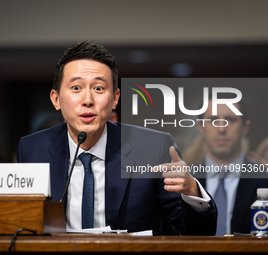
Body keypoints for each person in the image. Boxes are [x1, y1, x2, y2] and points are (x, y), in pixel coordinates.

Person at [17, 41, 217, 235]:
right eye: (76, 88)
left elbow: (198, 231)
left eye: (98, 88)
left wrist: (192, 192)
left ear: (115, 99)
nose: (88, 101)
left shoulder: (153, 148)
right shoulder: (33, 149)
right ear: (56, 99)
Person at [195, 96, 268, 235]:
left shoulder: (266, 180)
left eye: (230, 119)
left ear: (245, 127)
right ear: (201, 126)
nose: (221, 129)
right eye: (213, 120)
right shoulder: (185, 182)